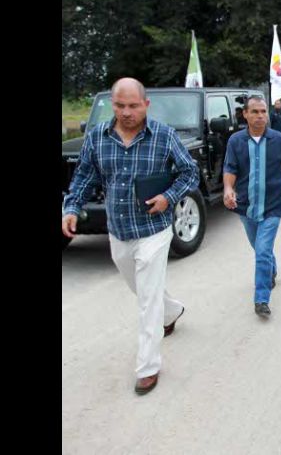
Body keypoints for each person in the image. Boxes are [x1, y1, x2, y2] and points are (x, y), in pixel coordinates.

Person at [62, 78, 199, 395]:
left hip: (154, 229)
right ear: (113, 104)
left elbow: (189, 171)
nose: (126, 112)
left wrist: (168, 196)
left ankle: (148, 367)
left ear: (146, 105)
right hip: (118, 230)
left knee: (147, 300)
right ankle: (172, 311)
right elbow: (85, 174)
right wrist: (72, 207)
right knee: (139, 287)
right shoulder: (97, 137)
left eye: (133, 106)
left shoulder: (164, 136)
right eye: (120, 105)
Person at [223, 94, 281, 317]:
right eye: (255, 112)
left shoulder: (279, 139)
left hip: (273, 205)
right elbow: (230, 169)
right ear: (245, 114)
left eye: (263, 111)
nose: (260, 116)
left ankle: (261, 299)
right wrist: (228, 189)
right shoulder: (235, 141)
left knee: (262, 249)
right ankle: (271, 270)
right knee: (259, 247)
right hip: (246, 205)